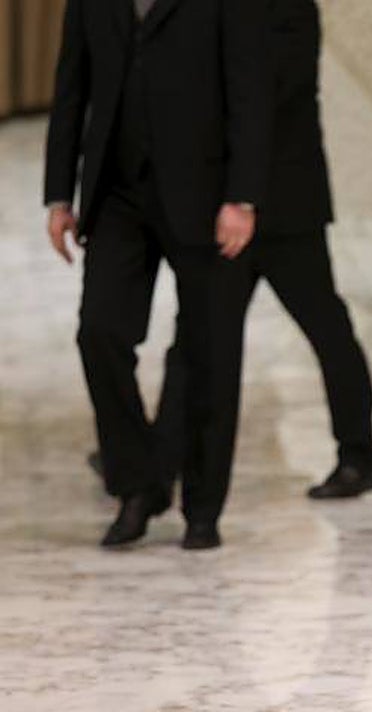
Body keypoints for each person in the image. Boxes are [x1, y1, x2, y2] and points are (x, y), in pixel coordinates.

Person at [136, 0, 372, 503]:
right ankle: (159, 463)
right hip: (225, 200)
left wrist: (241, 192)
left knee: (325, 325)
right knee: (196, 339)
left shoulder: (289, 8)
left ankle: (361, 453)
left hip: (284, 202)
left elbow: (262, 94)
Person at [44, 0, 270, 550]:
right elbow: (72, 87)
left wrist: (243, 195)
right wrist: (58, 195)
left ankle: (203, 508)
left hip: (206, 192)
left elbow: (250, 88)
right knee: (99, 331)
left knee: (210, 350)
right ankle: (137, 482)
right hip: (116, 195)